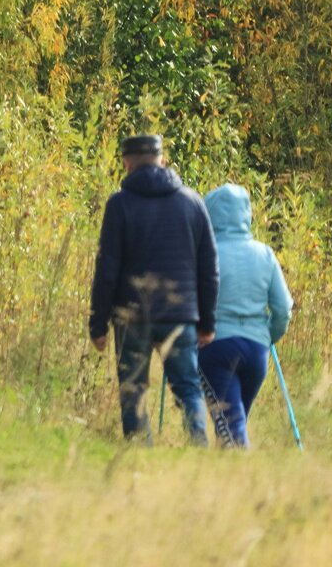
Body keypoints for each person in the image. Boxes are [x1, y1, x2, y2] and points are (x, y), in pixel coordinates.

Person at [89, 134, 219, 446]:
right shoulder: (192, 202)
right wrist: (207, 322)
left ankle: (139, 451)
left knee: (133, 388)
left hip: (131, 314)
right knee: (187, 386)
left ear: (126, 162)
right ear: (163, 160)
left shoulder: (119, 205)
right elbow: (209, 269)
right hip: (181, 314)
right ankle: (198, 446)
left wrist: (98, 323)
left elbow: (107, 269)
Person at [197, 183, 293, 449]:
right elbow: (283, 308)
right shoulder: (265, 254)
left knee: (231, 427)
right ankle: (228, 479)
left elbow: (188, 303)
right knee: (232, 422)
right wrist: (268, 337)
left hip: (215, 349)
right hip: (256, 353)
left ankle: (243, 476)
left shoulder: (205, 255)